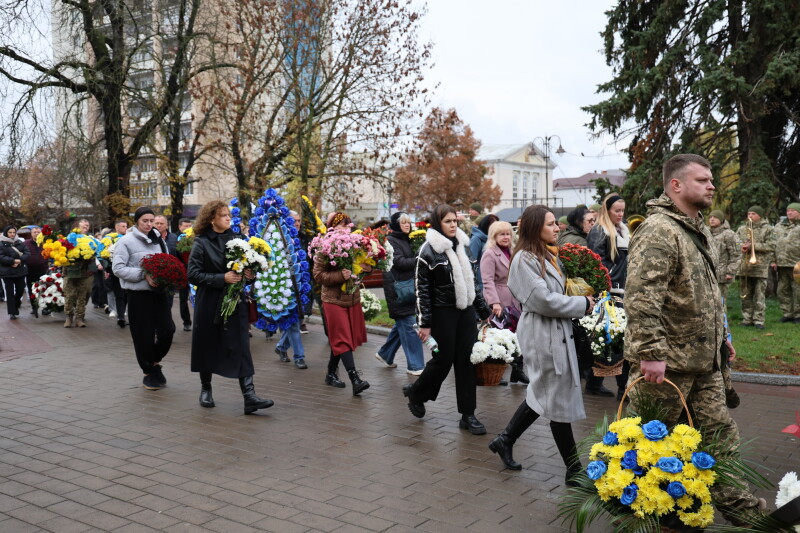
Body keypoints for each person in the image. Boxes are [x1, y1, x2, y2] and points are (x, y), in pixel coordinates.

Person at [624, 153, 766, 525]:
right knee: (644, 448)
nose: (712, 185)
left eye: (711, 179)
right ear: (676, 185)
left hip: (705, 362)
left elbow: (706, 292)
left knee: (720, 441)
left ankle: (751, 517)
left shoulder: (694, 226)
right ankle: (637, 515)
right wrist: (652, 353)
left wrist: (724, 336)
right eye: (702, 180)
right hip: (667, 368)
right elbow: (642, 297)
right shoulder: (659, 229)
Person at [488, 205, 594, 485]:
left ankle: (505, 439)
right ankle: (574, 470)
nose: (557, 228)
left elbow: (555, 293)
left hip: (553, 329)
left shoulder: (546, 254)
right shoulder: (524, 258)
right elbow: (543, 300)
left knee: (547, 392)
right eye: (550, 224)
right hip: (541, 331)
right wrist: (581, 304)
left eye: (556, 224)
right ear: (535, 228)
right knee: (553, 395)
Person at [402, 204, 492, 435]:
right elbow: (421, 290)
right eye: (447, 221)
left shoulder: (464, 245)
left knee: (466, 363)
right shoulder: (428, 250)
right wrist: (425, 323)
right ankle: (417, 392)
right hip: (442, 313)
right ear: (437, 223)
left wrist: (483, 311)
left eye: (455, 221)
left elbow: (473, 281)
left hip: (466, 312)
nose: (453, 225)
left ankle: (468, 414)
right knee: (443, 360)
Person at [187, 201, 273, 412]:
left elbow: (246, 270)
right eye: (223, 215)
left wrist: (249, 275)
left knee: (241, 346)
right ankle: (206, 389)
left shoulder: (238, 239)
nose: (228, 218)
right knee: (207, 345)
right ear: (211, 219)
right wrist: (221, 278)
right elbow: (193, 274)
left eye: (228, 215)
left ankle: (249, 396)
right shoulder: (202, 242)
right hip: (209, 302)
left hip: (235, 303)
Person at [113, 207, 176, 390]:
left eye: (151, 221)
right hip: (138, 295)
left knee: (168, 330)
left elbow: (166, 261)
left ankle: (155, 362)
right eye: (145, 221)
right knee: (143, 335)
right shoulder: (126, 241)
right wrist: (143, 274)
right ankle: (148, 371)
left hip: (159, 292)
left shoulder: (159, 240)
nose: (149, 224)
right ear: (137, 222)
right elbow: (118, 269)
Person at [313, 212, 371, 395]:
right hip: (333, 300)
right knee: (343, 338)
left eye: (348, 224)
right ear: (332, 227)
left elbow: (361, 267)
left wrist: (367, 268)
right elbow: (318, 275)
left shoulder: (355, 244)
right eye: (342, 225)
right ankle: (355, 379)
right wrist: (340, 275)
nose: (347, 228)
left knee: (342, 339)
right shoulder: (325, 245)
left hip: (351, 298)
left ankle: (331, 373)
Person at [375, 212, 425, 375]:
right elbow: (400, 262)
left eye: (409, 222)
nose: (407, 225)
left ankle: (385, 354)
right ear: (396, 224)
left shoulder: (407, 239)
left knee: (403, 323)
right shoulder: (390, 240)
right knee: (410, 327)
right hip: (399, 290)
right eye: (403, 222)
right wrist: (420, 257)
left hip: (409, 287)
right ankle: (416, 366)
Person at [480, 220, 528, 384]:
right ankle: (495, 371)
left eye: (508, 233)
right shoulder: (490, 253)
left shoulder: (513, 251)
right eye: (502, 234)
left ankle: (518, 370)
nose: (506, 237)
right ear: (494, 236)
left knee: (518, 334)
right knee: (500, 336)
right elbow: (487, 281)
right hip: (500, 298)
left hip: (515, 298)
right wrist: (494, 303)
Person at [274, 210, 308, 370]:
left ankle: (281, 347)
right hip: (286, 287)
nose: (297, 223)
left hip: (302, 285)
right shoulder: (281, 239)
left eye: (299, 220)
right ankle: (299, 357)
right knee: (294, 323)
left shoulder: (303, 238)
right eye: (294, 220)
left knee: (294, 321)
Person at [735, 205, 775, 329]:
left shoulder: (768, 229)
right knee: (745, 294)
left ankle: (759, 320)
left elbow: (772, 245)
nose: (750, 216)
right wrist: (741, 246)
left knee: (759, 295)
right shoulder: (742, 229)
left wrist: (754, 245)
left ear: (760, 216)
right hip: (745, 266)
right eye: (749, 214)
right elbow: (735, 242)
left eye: (753, 214)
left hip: (760, 267)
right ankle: (747, 318)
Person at [63, 218, 95, 328]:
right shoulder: (69, 238)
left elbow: (94, 254)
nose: (86, 227)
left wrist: (90, 256)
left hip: (84, 272)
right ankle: (68, 317)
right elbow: (62, 253)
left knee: (82, 295)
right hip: (70, 271)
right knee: (69, 295)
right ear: (77, 226)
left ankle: (79, 318)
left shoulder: (91, 239)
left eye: (87, 225)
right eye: (83, 225)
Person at [773, 203, 800, 323]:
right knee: (782, 290)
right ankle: (788, 313)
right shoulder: (779, 226)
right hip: (782, 263)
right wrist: (774, 260)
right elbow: (773, 243)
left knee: (797, 290)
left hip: (796, 263)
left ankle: (798, 315)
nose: (789, 213)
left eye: (792, 211)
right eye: (788, 211)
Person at [707, 210, 740, 302]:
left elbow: (736, 255)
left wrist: (730, 272)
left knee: (720, 302)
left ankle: (722, 317)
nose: (712, 219)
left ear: (721, 220)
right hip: (706, 274)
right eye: (710, 217)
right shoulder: (705, 232)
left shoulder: (729, 234)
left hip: (721, 275)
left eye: (715, 217)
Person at [0, 225, 30, 320]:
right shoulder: (1, 244)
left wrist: (19, 261)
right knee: (9, 292)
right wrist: (12, 261)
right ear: (6, 233)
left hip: (20, 270)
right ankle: (12, 312)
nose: (12, 234)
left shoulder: (20, 242)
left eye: (14, 232)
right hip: (7, 272)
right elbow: (1, 256)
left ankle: (16, 304)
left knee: (20, 289)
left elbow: (27, 253)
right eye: (10, 232)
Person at [20, 226, 47, 318]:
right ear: (31, 234)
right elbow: (21, 254)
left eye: (38, 232)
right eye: (34, 232)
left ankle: (45, 308)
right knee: (32, 289)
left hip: (43, 270)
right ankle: (34, 307)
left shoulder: (46, 243)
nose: (36, 233)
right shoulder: (26, 243)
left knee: (44, 289)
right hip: (30, 270)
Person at [106, 220, 129, 327]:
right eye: (123, 226)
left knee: (127, 294)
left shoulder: (129, 238)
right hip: (115, 270)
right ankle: (121, 317)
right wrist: (106, 267)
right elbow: (102, 253)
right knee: (119, 294)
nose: (125, 228)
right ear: (117, 227)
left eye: (126, 226)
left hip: (128, 269)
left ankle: (122, 313)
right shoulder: (109, 239)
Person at [469, 214, 498, 289]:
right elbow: (471, 260)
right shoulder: (476, 239)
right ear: (486, 225)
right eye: (493, 225)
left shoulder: (493, 239)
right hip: (481, 281)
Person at [177, 218, 193, 331]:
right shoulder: (177, 239)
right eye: (185, 226)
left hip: (195, 272)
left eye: (189, 226)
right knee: (183, 298)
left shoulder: (195, 238)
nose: (188, 228)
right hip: (182, 273)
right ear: (180, 227)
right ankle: (186, 321)